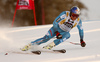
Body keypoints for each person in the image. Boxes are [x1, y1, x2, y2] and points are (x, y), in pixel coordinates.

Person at [21, 6, 86, 51]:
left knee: (68, 35)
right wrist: (57, 32)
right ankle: (30, 45)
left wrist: (81, 40)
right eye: (73, 15)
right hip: (56, 28)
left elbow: (81, 30)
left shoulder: (78, 21)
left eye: (76, 16)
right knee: (46, 38)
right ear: (70, 13)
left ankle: (50, 45)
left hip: (64, 32)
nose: (74, 17)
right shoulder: (64, 14)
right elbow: (55, 22)